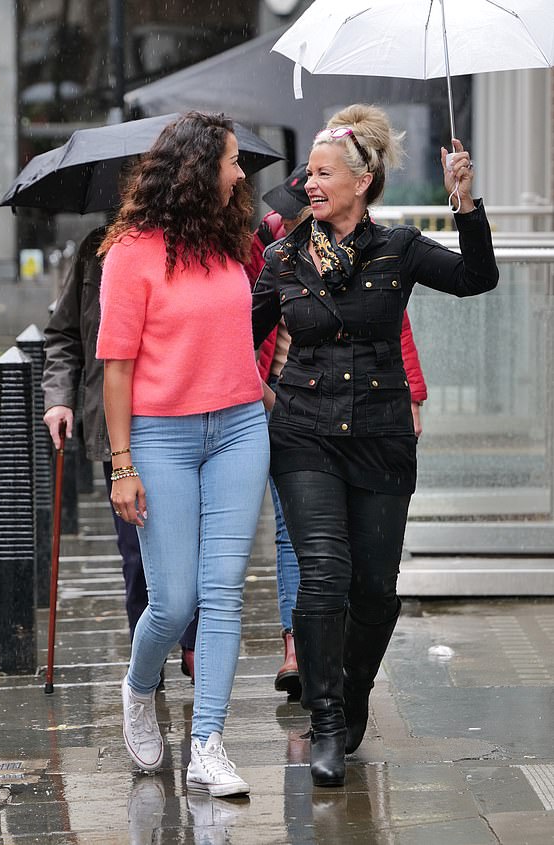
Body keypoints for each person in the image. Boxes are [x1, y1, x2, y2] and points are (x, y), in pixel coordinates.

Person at [252, 103, 498, 787]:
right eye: (308, 175)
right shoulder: (283, 256)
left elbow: (479, 277)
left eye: (323, 174)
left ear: (361, 182)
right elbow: (235, 340)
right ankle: (327, 718)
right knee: (324, 571)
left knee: (376, 588)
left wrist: (465, 203)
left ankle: (353, 691)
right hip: (303, 432)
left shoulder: (400, 246)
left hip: (382, 434)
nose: (309, 183)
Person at [95, 111, 269, 797]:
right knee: (173, 600)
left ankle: (208, 743)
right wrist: (123, 463)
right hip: (160, 437)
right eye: (230, 161)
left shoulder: (230, 240)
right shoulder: (131, 252)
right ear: (199, 170)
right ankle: (139, 689)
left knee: (224, 591)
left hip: (238, 430)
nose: (239, 172)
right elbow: (116, 366)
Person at [245, 163, 427, 700]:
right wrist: (263, 391)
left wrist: (411, 392)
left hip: (370, 416)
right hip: (295, 412)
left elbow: (395, 325)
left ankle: (348, 674)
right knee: (303, 545)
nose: (316, 196)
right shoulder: (277, 246)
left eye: (327, 180)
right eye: (312, 185)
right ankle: (297, 651)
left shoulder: (384, 249)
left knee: (367, 572)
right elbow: (245, 326)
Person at [42, 224, 197, 679]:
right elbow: (65, 334)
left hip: (183, 415)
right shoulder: (97, 248)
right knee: (136, 555)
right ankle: (146, 668)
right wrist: (59, 398)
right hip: (120, 425)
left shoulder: (194, 240)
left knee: (196, 546)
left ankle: (192, 643)